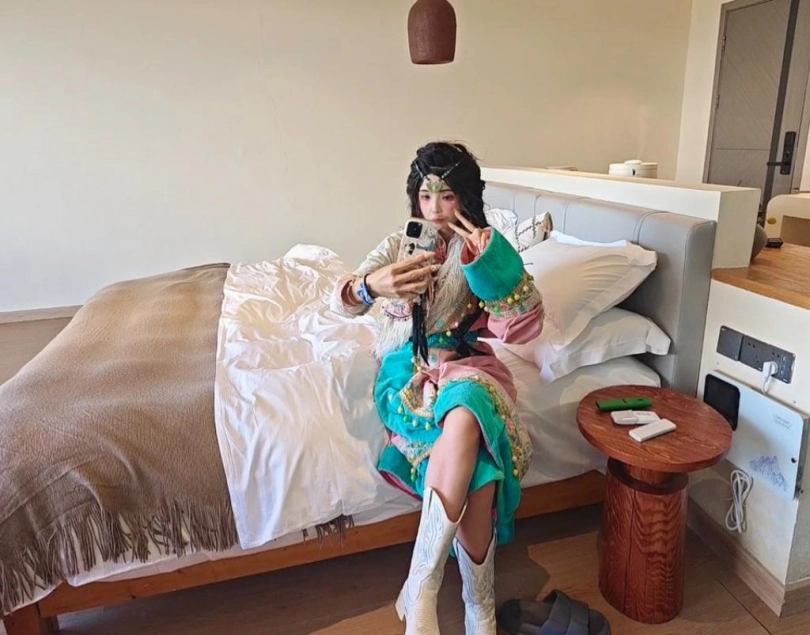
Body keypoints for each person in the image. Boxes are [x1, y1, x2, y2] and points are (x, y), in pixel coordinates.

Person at [330, 141, 544, 635]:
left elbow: (523, 326)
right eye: (425, 196)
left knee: (468, 407)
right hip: (408, 369)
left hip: (467, 365)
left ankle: (422, 588)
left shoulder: (482, 246)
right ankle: (478, 608)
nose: (434, 209)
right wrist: (373, 286)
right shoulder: (398, 243)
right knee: (482, 472)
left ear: (465, 197)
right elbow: (342, 300)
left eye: (446, 196)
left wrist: (487, 263)